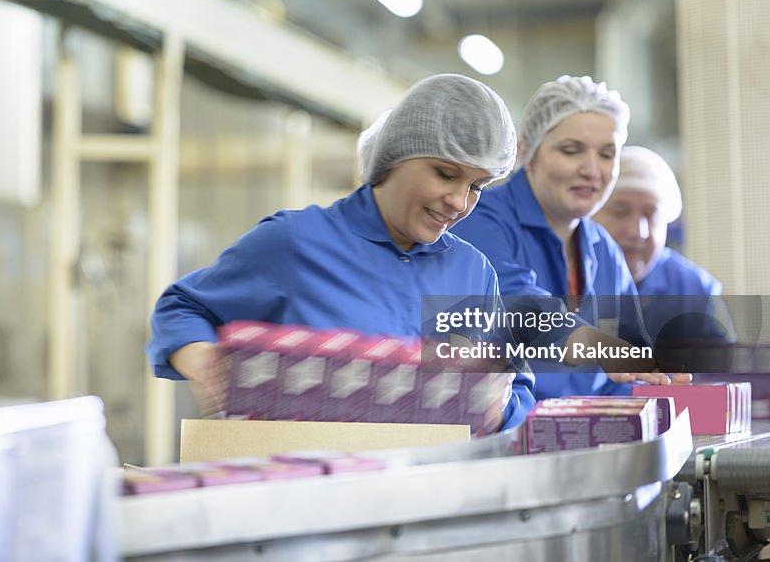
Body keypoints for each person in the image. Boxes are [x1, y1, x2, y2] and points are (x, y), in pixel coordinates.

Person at [149, 74, 535, 432]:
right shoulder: (296, 243)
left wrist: (498, 408)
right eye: (445, 174)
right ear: (396, 156)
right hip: (310, 491)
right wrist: (206, 364)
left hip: (426, 490)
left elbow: (514, 386)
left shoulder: (471, 272)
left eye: (477, 186)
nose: (458, 201)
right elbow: (183, 306)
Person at [452, 75, 689, 399]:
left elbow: (631, 361)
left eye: (607, 154)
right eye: (571, 150)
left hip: (582, 435)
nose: (592, 170)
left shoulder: (602, 249)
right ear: (527, 153)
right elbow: (517, 304)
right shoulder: (480, 222)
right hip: (499, 437)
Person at [593, 146, 735, 347]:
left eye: (651, 216)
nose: (637, 232)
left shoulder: (694, 290)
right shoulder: (561, 279)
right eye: (620, 212)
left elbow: (726, 371)